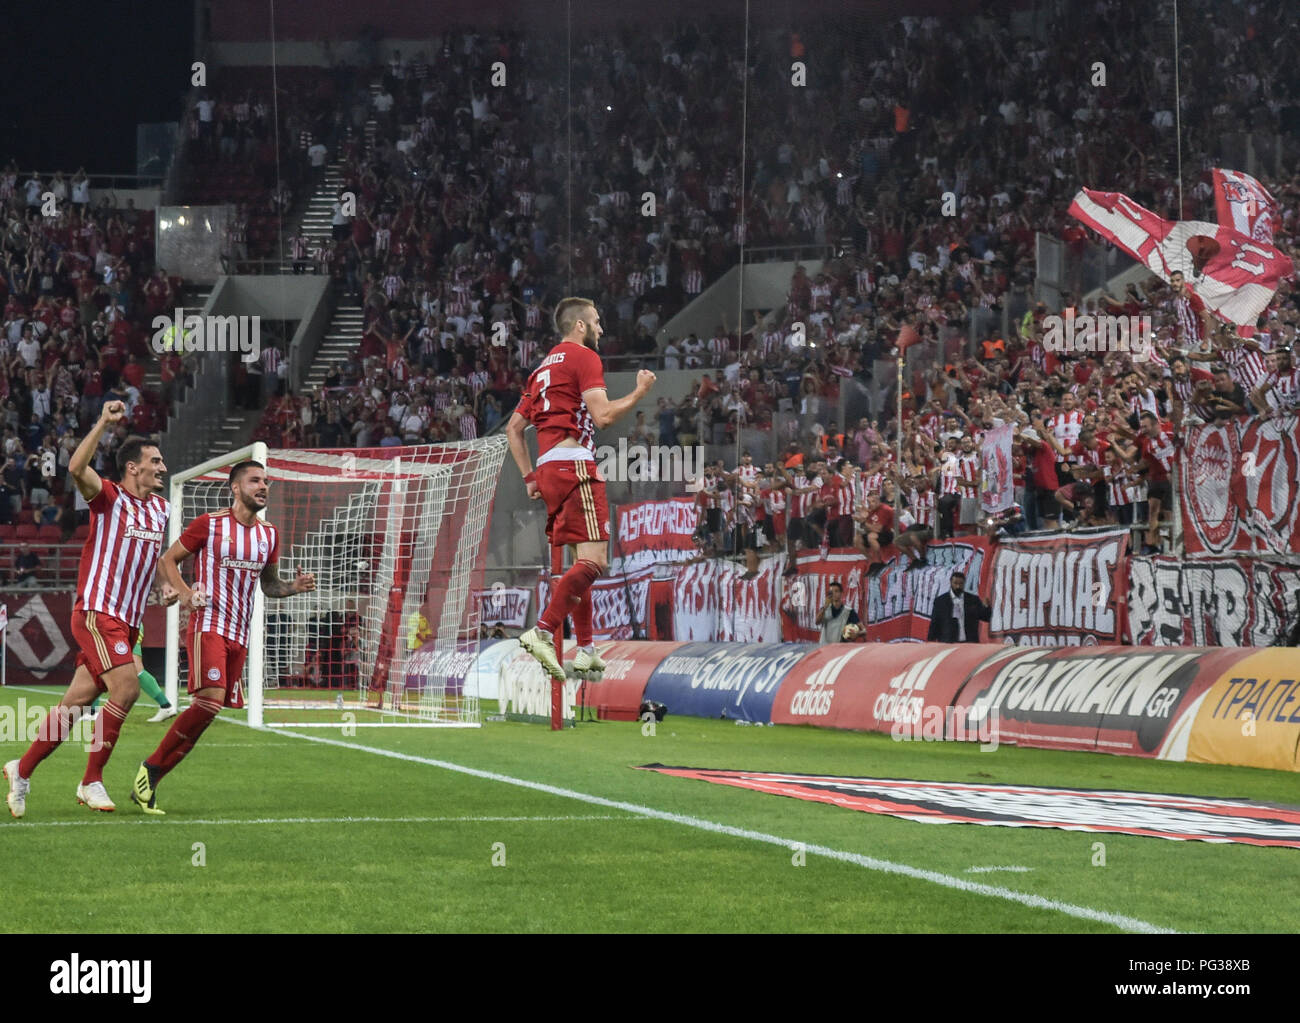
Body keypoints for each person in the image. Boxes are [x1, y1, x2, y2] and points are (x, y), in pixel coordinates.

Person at [5, 405, 171, 817]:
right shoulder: (110, 496)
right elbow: (77, 467)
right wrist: (103, 423)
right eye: (155, 461)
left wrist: (165, 588)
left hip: (126, 622)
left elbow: (148, 561)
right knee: (128, 688)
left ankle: (20, 770)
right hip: (98, 613)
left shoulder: (161, 510)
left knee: (74, 706)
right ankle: (90, 780)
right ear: (133, 468)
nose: (163, 467)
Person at [131, 460, 316, 814]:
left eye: (266, 481)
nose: (263, 486)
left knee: (207, 714)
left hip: (240, 635)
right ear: (235, 487)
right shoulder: (209, 524)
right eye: (255, 481)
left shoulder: (269, 535)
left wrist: (294, 587)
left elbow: (269, 585)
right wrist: (185, 595)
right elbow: (167, 560)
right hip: (208, 626)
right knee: (210, 702)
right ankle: (152, 767)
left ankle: (150, 777)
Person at [506, 297, 656, 680]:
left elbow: (513, 429)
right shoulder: (584, 356)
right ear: (580, 326)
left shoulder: (542, 367)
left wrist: (528, 479)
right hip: (575, 466)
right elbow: (603, 416)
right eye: (597, 321)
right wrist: (639, 393)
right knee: (597, 562)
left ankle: (587, 648)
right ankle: (542, 630)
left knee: (580, 563)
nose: (601, 328)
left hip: (548, 469)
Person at [926, 571, 991, 643]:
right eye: (955, 583)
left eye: (961, 584)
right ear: (950, 582)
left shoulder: (973, 600)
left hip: (969, 643)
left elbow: (985, 617)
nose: (958, 586)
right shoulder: (941, 601)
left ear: (964, 583)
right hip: (948, 643)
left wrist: (986, 607)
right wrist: (931, 642)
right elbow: (935, 623)